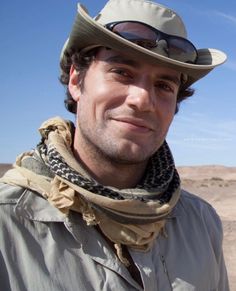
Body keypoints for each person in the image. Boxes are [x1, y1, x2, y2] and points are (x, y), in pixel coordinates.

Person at [0, 0, 229, 290]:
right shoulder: (9, 224)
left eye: (164, 85)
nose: (143, 100)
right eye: (122, 72)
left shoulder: (200, 223)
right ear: (76, 79)